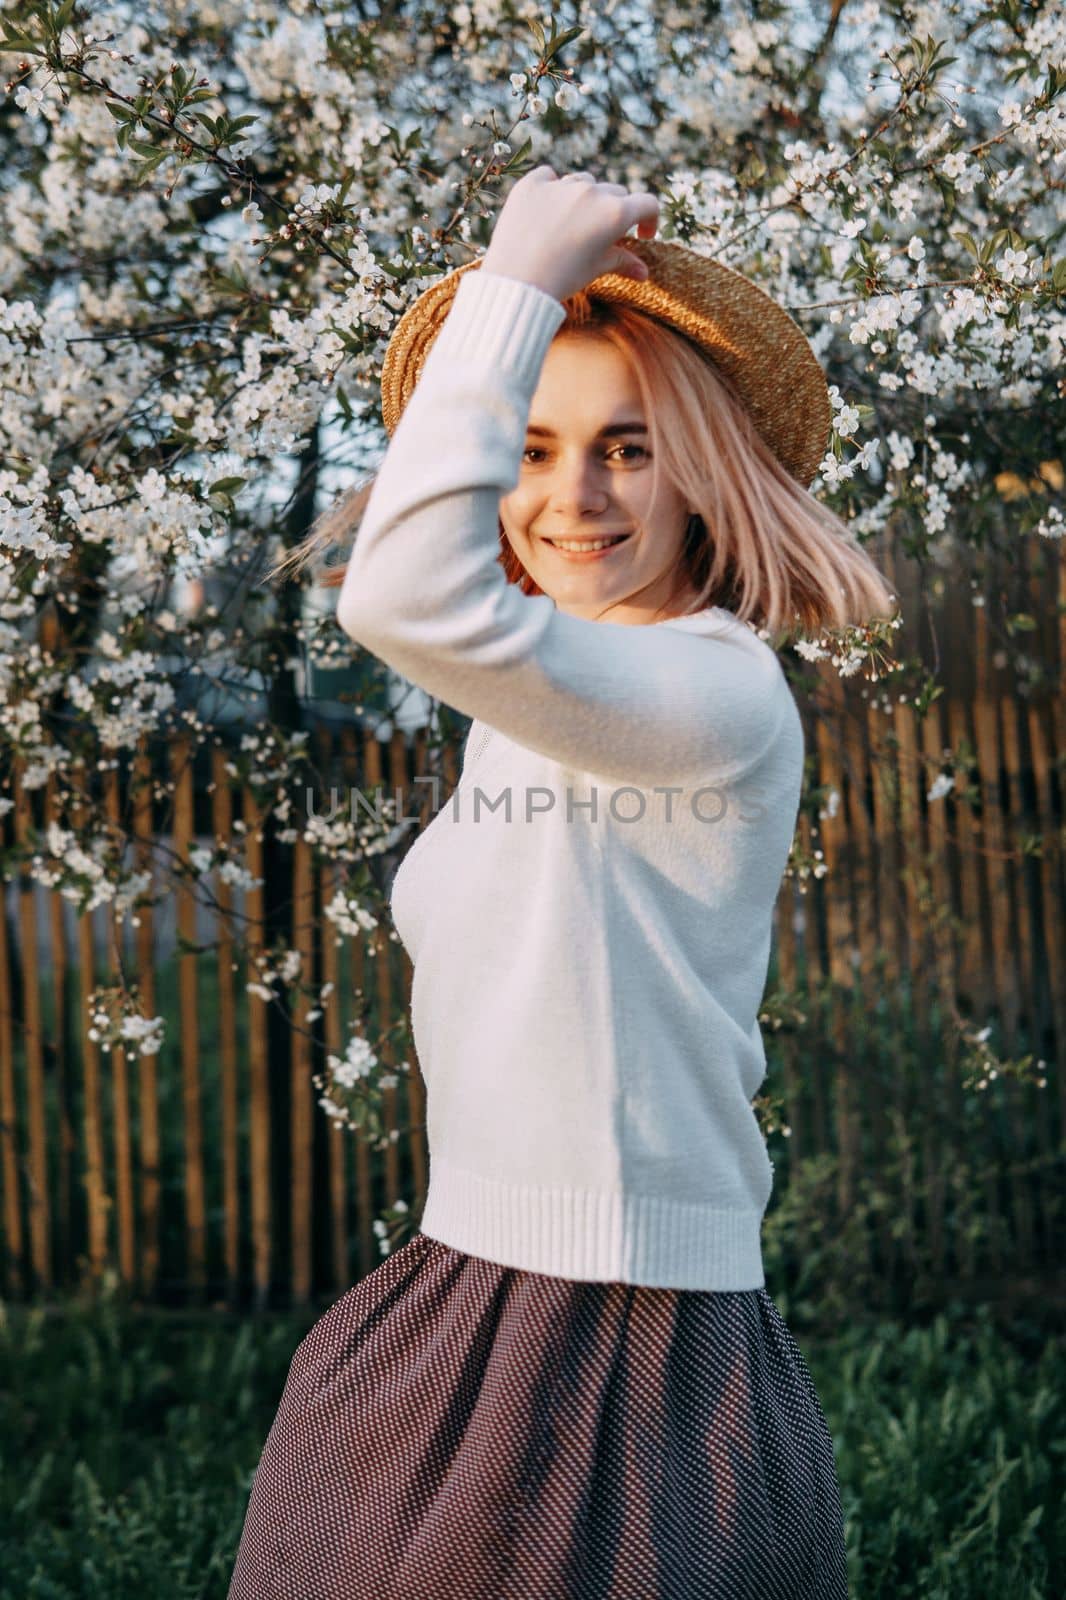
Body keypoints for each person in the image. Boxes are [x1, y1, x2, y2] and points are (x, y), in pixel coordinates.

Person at [229, 166, 896, 1599]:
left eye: (626, 450)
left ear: (703, 475)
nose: (567, 497)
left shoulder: (706, 692)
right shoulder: (551, 694)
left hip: (616, 1324)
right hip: (460, 1280)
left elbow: (403, 597)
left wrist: (514, 278)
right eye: (527, 449)